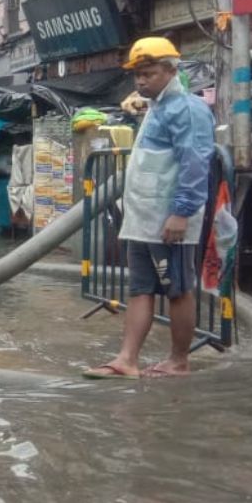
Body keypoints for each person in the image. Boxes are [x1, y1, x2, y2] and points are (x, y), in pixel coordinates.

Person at [84, 37, 215, 380]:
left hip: (168, 220)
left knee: (177, 290)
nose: (141, 81)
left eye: (149, 73)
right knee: (140, 289)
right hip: (143, 220)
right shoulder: (157, 107)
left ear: (171, 71)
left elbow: (195, 163)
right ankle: (126, 360)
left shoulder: (187, 109)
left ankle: (178, 361)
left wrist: (181, 213)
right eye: (137, 75)